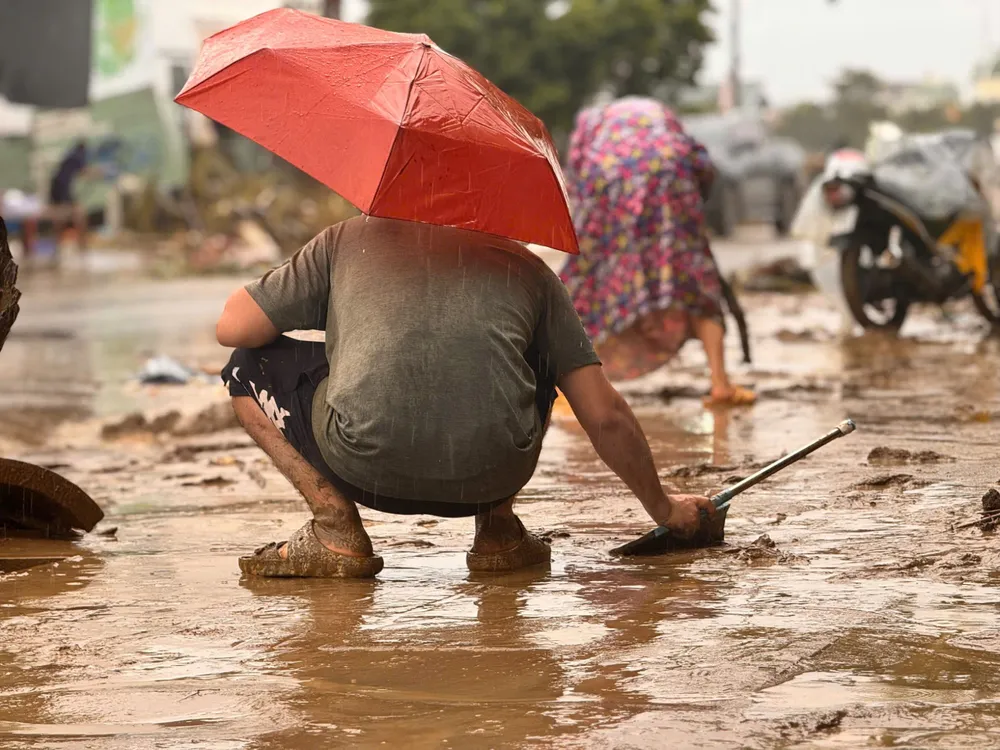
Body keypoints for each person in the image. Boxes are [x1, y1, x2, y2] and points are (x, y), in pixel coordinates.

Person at [215, 216, 716, 578]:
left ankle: (335, 527)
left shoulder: (347, 241)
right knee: (542, 358)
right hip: (489, 476)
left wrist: (347, 309)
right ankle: (498, 531)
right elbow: (604, 413)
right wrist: (665, 510)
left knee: (246, 365)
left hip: (360, 466)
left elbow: (233, 327)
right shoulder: (530, 270)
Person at [559, 97, 755, 406]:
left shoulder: (591, 123)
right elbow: (703, 165)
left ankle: (573, 390)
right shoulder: (663, 118)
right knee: (698, 284)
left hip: (609, 183)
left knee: (588, 283)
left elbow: (576, 177)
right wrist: (692, 207)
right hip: (672, 179)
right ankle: (720, 383)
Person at [47, 139, 90, 249]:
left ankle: (59, 247)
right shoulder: (77, 156)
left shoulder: (69, 156)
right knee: (76, 216)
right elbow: (84, 171)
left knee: (62, 219)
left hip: (58, 190)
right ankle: (81, 246)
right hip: (61, 191)